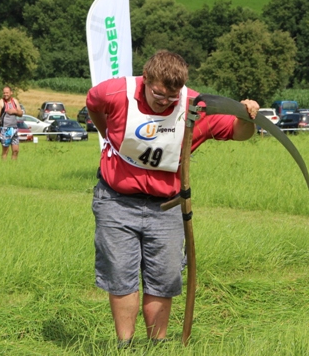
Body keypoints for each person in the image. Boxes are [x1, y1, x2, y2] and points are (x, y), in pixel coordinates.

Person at [86, 50, 260, 346]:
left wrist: (247, 116)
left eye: (171, 96)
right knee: (120, 274)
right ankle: (125, 346)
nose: (164, 101)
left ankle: (157, 345)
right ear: (145, 79)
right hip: (115, 201)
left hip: (166, 207)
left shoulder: (194, 107)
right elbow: (93, 104)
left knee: (164, 277)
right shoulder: (115, 92)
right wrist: (108, 136)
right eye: (158, 94)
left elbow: (238, 132)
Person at [0, 86, 23, 160]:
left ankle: (13, 165)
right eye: (4, 93)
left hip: (14, 128)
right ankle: (4, 165)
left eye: (7, 93)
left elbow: (21, 113)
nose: (5, 94)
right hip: (5, 129)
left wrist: (14, 111)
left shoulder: (15, 101)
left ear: (11, 93)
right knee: (5, 151)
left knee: (16, 151)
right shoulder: (0, 102)